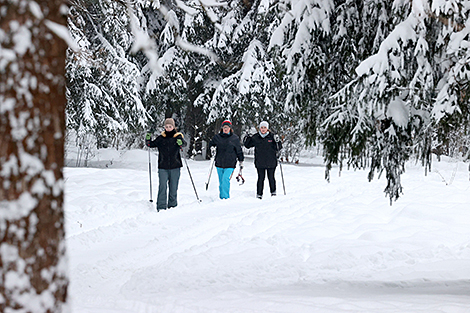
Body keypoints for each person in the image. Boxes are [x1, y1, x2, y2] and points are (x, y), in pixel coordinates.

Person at [146, 118, 186, 211]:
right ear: (164, 127)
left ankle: (172, 206)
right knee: (162, 186)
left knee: (173, 187)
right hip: (163, 166)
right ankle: (161, 207)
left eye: (170, 126)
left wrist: (181, 143)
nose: (168, 128)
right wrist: (148, 140)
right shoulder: (161, 138)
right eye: (166, 126)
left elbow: (184, 144)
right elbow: (151, 144)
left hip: (175, 166)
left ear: (173, 127)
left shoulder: (177, 137)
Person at [244, 121, 282, 199]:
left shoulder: (272, 136)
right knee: (261, 178)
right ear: (259, 128)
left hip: (271, 161)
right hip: (260, 162)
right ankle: (259, 194)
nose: (263, 129)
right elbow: (247, 145)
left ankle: (273, 193)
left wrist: (278, 141)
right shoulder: (256, 137)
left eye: (265, 128)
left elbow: (278, 147)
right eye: (262, 128)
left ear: (267, 129)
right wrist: (247, 137)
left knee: (271, 177)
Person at [209, 120, 244, 199]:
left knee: (225, 179)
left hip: (230, 163)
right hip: (219, 162)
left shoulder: (234, 138)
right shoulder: (217, 137)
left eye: (227, 127)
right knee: (221, 181)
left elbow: (239, 150)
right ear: (222, 128)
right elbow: (211, 144)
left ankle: (225, 197)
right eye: (224, 127)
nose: (225, 129)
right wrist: (212, 148)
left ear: (230, 129)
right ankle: (221, 197)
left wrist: (241, 160)